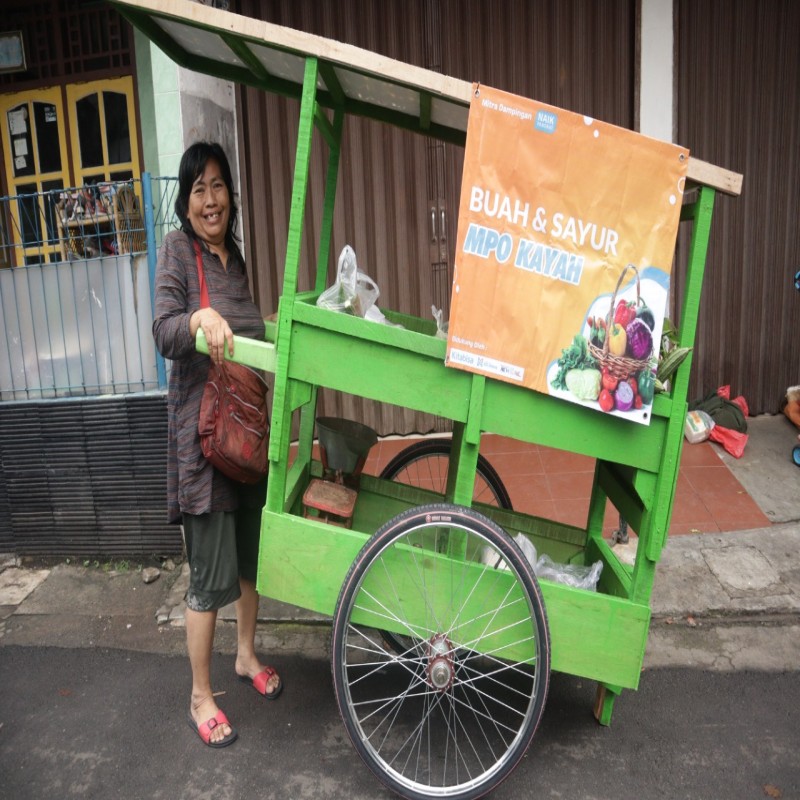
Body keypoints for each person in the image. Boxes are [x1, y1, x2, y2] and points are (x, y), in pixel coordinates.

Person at [152, 141, 282, 749]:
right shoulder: (179, 252)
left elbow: (251, 330)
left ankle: (246, 656)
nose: (211, 200)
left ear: (232, 194)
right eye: (198, 189)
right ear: (186, 201)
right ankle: (200, 696)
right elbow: (163, 329)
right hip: (204, 441)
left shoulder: (236, 256)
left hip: (247, 434)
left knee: (251, 558)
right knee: (209, 574)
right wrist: (199, 318)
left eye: (219, 186)